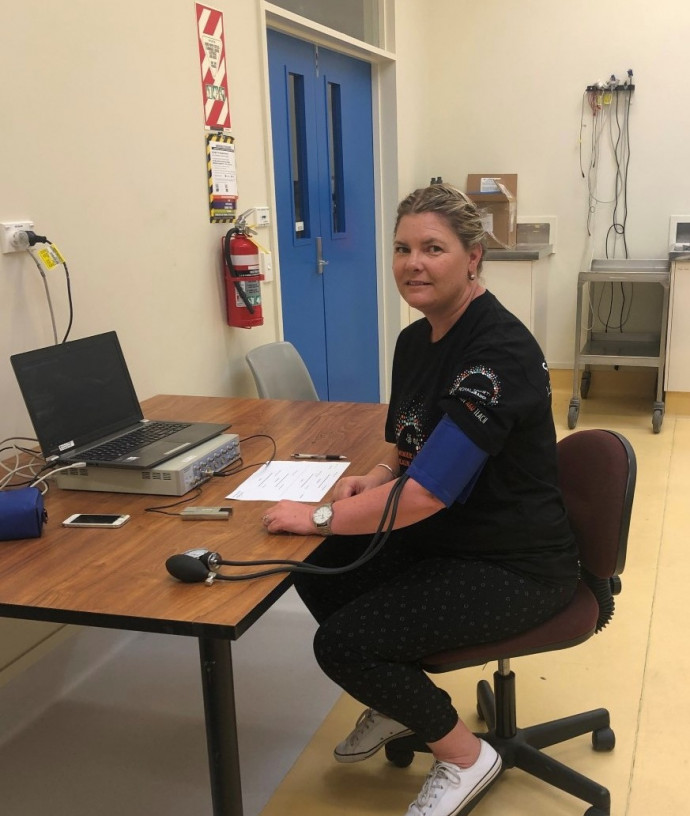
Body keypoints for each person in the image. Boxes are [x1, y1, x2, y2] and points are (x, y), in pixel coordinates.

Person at [261, 183, 578, 816]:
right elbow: (413, 445)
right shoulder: (417, 340)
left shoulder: (496, 354)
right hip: (449, 539)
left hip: (514, 563)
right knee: (319, 563)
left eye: (433, 248)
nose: (413, 263)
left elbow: (429, 493)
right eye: (403, 248)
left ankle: (465, 757)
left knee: (343, 643)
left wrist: (320, 514)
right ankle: (402, 704)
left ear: (473, 257)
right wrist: (378, 475)